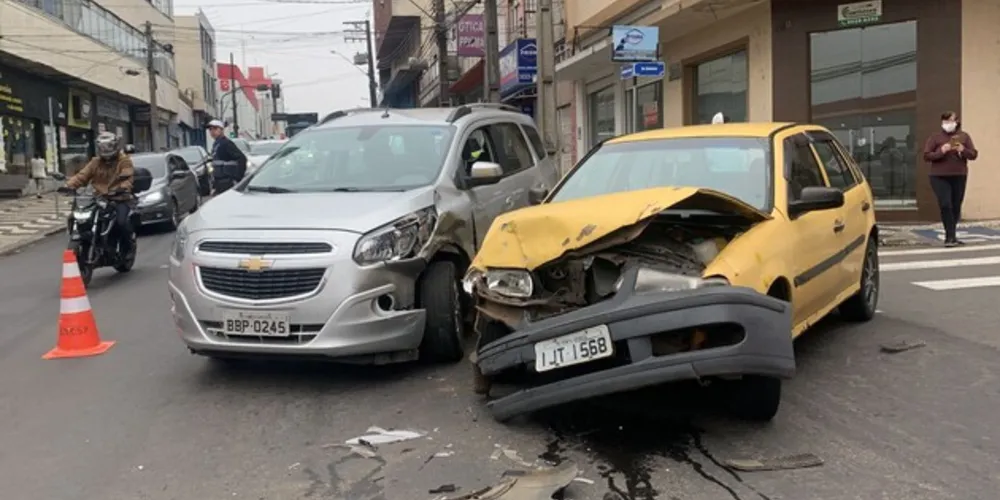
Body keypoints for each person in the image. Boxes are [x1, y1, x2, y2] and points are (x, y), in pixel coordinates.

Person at [61, 131, 136, 257]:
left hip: (119, 198)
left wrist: (122, 187)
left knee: (121, 222)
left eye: (108, 146)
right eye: (102, 146)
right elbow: (82, 176)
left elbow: (128, 178)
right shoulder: (95, 162)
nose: (105, 149)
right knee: (78, 216)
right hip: (98, 198)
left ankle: (127, 248)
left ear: (115, 146)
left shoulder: (124, 161)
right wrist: (68, 186)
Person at [923, 111, 978, 247]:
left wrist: (963, 149)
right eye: (945, 122)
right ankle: (949, 237)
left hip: (959, 175)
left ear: (956, 122)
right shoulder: (935, 138)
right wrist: (941, 151)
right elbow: (927, 156)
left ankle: (952, 236)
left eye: (951, 121)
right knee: (945, 204)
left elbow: (973, 154)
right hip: (939, 176)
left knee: (956, 206)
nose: (948, 124)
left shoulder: (964, 136)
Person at [206, 120, 248, 194]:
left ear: (221, 130)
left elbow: (242, 158)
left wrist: (238, 178)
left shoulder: (226, 143)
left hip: (228, 182)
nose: (212, 131)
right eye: (210, 129)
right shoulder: (216, 144)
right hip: (219, 182)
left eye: (215, 128)